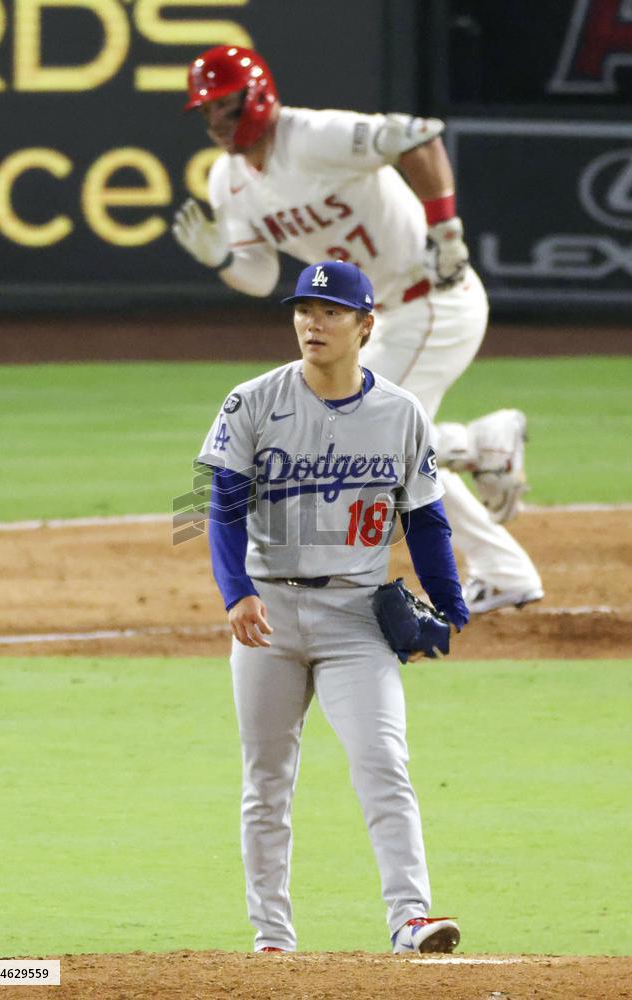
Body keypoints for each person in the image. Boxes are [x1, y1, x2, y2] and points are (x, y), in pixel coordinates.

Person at [175, 45, 543, 614]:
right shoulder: (228, 180)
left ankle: (480, 462)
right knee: (374, 446)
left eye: (223, 106)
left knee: (363, 442)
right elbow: (260, 274)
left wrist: (447, 231)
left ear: (257, 95)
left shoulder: (313, 135)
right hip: (383, 321)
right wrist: (222, 257)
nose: (215, 122)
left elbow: (419, 136)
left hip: (434, 301)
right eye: (205, 112)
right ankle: (492, 519)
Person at [198, 259, 467, 954]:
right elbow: (219, 507)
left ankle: (410, 919)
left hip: (355, 619)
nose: (311, 323)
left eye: (329, 313)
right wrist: (237, 592)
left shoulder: (400, 413)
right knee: (266, 781)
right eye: (302, 310)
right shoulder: (252, 401)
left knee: (382, 761)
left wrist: (450, 604)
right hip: (268, 619)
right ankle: (272, 938)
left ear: (365, 326)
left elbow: (427, 520)